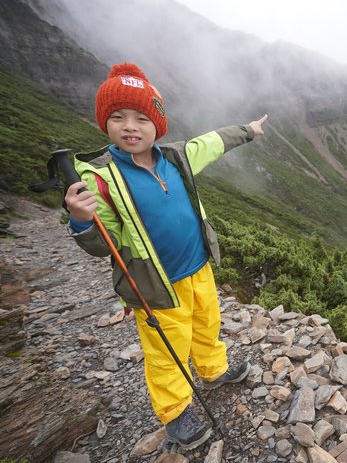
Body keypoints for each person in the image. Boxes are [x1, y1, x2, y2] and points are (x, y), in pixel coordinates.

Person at [64, 62, 267, 450]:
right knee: (166, 351)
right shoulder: (101, 179)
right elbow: (100, 244)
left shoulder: (174, 157)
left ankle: (214, 369)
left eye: (141, 117)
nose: (130, 126)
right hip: (156, 287)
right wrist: (81, 220)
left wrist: (248, 131)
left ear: (158, 124)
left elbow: (210, 142)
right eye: (117, 117)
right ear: (104, 124)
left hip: (198, 268)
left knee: (207, 324)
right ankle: (175, 414)